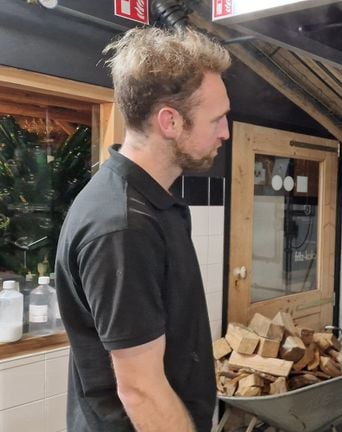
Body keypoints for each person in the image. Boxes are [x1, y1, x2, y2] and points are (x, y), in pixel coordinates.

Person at [55, 26, 231, 431]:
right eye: (217, 119)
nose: (224, 132)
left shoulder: (151, 203)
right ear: (170, 121)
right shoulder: (123, 226)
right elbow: (140, 390)